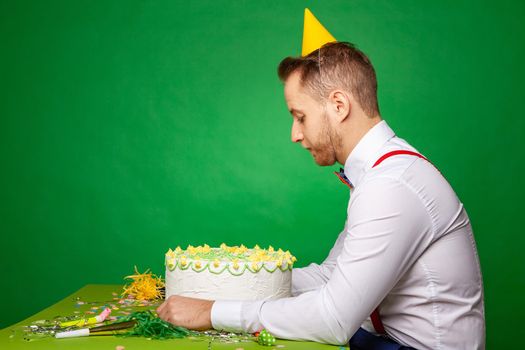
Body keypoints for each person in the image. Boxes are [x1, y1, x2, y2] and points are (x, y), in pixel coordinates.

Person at [157, 41, 485, 349]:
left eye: (300, 117)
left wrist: (211, 312)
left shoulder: (391, 185)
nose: (295, 134)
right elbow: (332, 275)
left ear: (339, 106)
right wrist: (217, 286)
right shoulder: (382, 174)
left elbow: (334, 318)